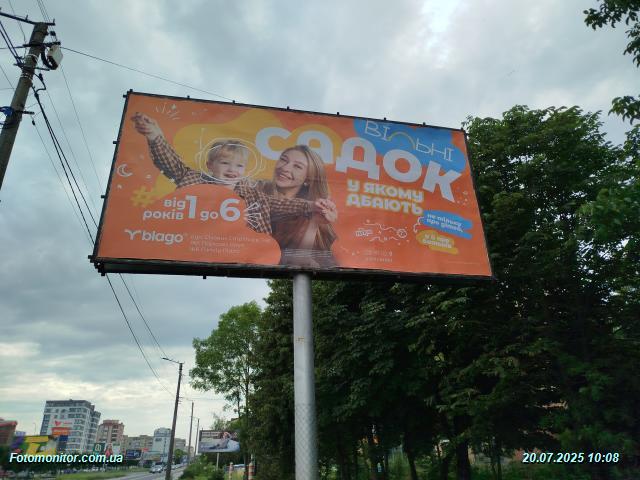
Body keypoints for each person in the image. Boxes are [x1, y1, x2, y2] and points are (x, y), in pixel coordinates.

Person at [131, 113, 332, 235]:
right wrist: (155, 135)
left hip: (240, 248)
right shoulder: (192, 178)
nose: (231, 170)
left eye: (238, 166)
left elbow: (280, 204)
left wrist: (311, 205)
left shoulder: (253, 195)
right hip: (192, 240)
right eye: (225, 163)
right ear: (210, 165)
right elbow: (169, 162)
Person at [257, 145, 338, 268]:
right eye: (283, 160)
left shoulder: (313, 213)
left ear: (309, 179)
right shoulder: (256, 189)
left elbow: (300, 261)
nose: (284, 168)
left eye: (297, 166)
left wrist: (314, 223)